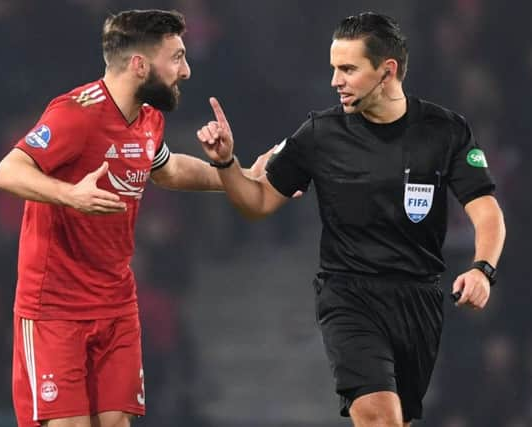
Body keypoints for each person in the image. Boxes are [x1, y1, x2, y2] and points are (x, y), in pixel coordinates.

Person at [196, 12, 506, 427]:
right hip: (349, 295)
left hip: (419, 298)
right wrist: (226, 163)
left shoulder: (444, 130)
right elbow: (258, 202)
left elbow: (486, 211)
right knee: (379, 417)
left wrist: (483, 270)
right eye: (333, 69)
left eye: (347, 69)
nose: (334, 81)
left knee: (397, 421)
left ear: (387, 71)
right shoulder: (319, 134)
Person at [0, 9, 273, 427]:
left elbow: (169, 169)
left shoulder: (148, 119)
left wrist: (238, 173)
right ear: (140, 65)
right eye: (176, 57)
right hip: (55, 307)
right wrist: (71, 195)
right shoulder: (75, 113)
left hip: (117, 303)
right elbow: (7, 172)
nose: (187, 70)